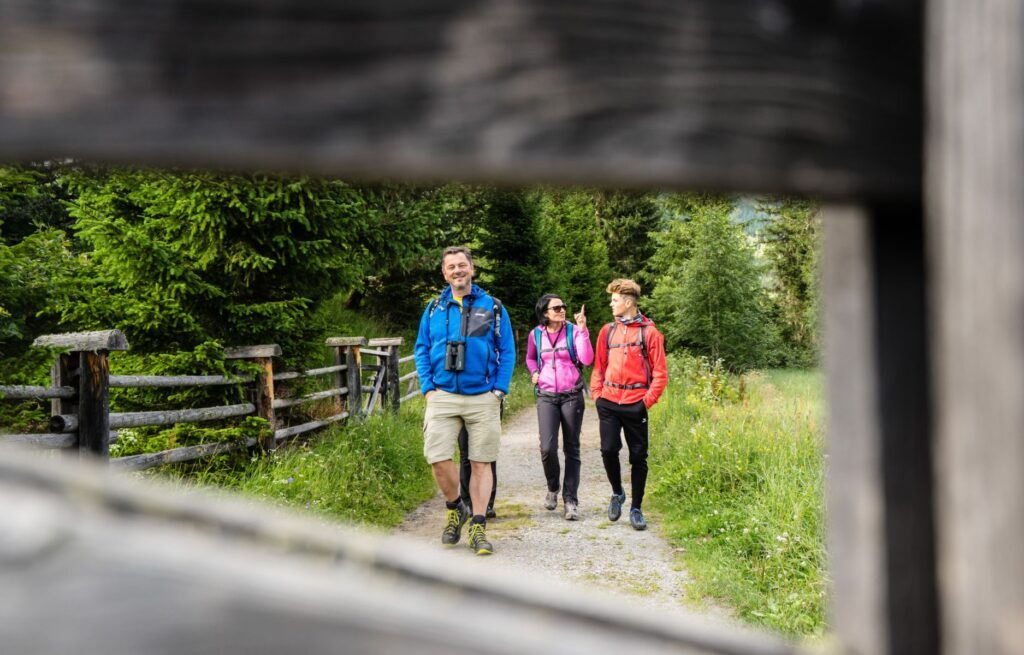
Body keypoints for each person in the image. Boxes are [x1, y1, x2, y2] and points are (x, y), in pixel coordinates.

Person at [414, 246, 515, 555]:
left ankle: (478, 527)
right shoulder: (434, 308)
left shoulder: (493, 307)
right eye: (451, 267)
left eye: (462, 265)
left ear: (472, 269)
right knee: (437, 458)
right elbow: (421, 348)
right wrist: (428, 388)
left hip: (482, 396)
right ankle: (456, 507)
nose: (457, 271)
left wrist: (498, 390)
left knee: (481, 462)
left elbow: (507, 350)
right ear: (444, 274)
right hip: (442, 395)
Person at [589, 279, 668, 531]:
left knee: (638, 457)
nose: (611, 304)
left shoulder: (650, 333)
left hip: (636, 404)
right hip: (609, 402)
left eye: (614, 300)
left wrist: (646, 402)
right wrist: (597, 396)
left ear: (628, 302)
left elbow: (660, 374)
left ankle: (636, 508)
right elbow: (599, 366)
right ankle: (617, 493)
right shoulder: (607, 331)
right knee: (608, 450)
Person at [525, 294, 594, 520]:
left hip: (572, 395)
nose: (562, 310)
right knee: (547, 447)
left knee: (572, 448)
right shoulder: (536, 334)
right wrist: (534, 373)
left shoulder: (574, 331)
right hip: (546, 395)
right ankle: (552, 487)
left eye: (563, 306)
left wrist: (583, 329)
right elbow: (531, 359)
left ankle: (571, 500)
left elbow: (586, 359)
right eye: (556, 308)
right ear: (545, 312)